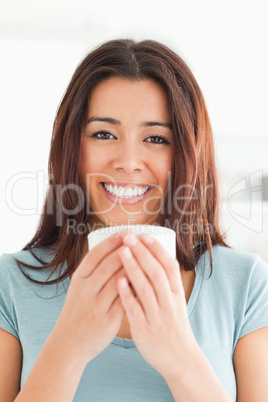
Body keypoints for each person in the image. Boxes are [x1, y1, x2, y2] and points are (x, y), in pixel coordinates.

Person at [0, 38, 268, 402]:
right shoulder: (10, 284)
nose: (128, 160)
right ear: (71, 147)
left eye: (156, 138)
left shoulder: (246, 285)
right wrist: (68, 346)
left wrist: (178, 356)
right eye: (104, 134)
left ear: (188, 153)